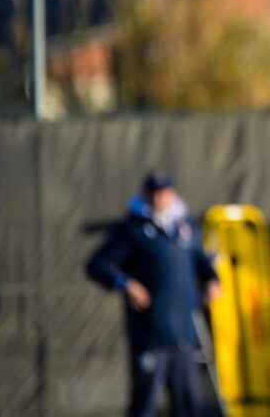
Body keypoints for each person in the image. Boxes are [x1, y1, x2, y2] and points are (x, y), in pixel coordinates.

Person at [86, 170, 220, 417]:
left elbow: (204, 263)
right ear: (145, 195)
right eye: (153, 193)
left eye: (164, 192)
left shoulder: (186, 228)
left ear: (172, 193)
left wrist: (212, 281)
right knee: (144, 405)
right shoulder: (133, 230)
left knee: (187, 405)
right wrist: (125, 283)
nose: (159, 198)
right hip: (150, 335)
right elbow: (97, 265)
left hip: (183, 336)